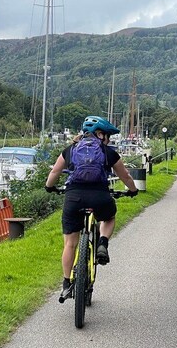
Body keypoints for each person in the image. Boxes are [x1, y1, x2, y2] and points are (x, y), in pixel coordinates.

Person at [45, 115, 139, 301]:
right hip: (100, 197)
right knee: (109, 217)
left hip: (74, 197)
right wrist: (133, 190)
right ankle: (102, 243)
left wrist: (49, 187)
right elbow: (125, 176)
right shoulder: (108, 152)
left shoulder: (70, 150)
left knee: (70, 243)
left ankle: (66, 284)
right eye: (107, 136)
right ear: (100, 135)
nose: (108, 139)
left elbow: (55, 172)